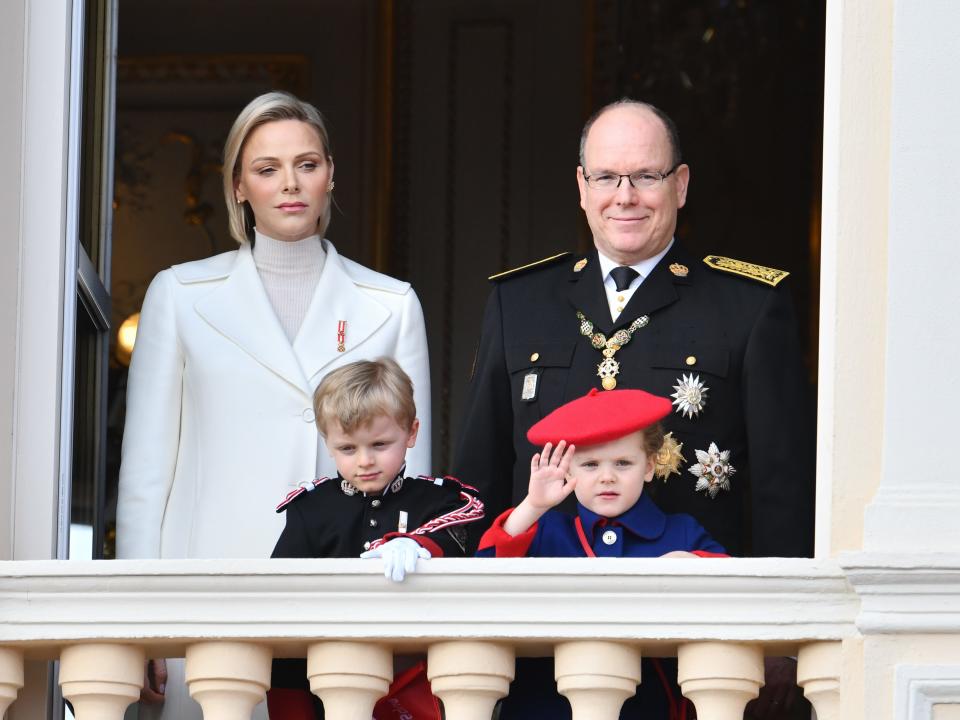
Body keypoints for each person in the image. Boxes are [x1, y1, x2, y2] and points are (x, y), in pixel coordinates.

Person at [116, 91, 431, 720]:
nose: (290, 184)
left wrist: (404, 622)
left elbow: (412, 482)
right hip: (205, 596)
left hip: (342, 605)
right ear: (238, 185)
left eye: (307, 164)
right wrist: (139, 622)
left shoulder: (391, 303)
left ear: (331, 174)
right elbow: (147, 475)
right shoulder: (180, 294)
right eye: (267, 169)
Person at [455, 98, 814, 560]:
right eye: (606, 177)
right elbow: (476, 478)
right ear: (582, 187)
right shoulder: (518, 303)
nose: (625, 196)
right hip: (543, 607)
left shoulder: (750, 306)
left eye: (646, 177)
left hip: (693, 610)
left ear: (680, 186)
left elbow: (781, 489)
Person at [477, 387, 725, 719]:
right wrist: (533, 505)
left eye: (623, 463)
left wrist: (693, 563)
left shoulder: (680, 532)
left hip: (645, 707)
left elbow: (732, 584)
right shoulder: (547, 529)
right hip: (546, 706)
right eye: (590, 464)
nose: (607, 476)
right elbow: (485, 571)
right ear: (568, 471)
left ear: (649, 466)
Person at [269, 358, 483, 719]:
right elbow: (284, 604)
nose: (365, 461)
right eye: (348, 449)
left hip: (417, 684)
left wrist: (419, 543)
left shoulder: (438, 500)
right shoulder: (312, 509)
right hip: (329, 685)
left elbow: (462, 530)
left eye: (380, 444)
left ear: (411, 433)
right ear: (328, 443)